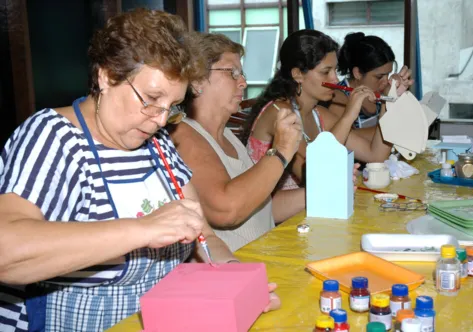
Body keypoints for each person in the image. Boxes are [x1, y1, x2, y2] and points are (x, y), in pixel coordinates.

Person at [0, 9, 278, 332]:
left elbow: (206, 237)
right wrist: (143, 229)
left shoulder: (158, 143)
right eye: (151, 99)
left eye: (171, 107)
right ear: (106, 76)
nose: (161, 120)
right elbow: (7, 251)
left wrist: (236, 282)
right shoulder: (54, 138)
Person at [170, 32, 303, 252]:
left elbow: (260, 209)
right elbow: (226, 211)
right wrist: (281, 151)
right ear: (196, 80)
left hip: (265, 260)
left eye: (241, 73)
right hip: (233, 273)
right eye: (232, 73)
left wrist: (326, 190)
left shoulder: (228, 136)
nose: (243, 82)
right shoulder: (183, 135)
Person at [243, 29, 389, 193]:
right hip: (274, 214)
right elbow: (314, 176)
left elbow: (375, 156)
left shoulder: (318, 113)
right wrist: (349, 115)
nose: (334, 79)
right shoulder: (281, 114)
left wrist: (386, 105)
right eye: (326, 72)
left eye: (335, 70)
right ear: (298, 74)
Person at [329, 32, 414, 130]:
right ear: (358, 73)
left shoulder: (382, 90)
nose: (385, 81)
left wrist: (397, 97)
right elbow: (352, 140)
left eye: (388, 74)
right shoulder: (339, 100)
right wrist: (387, 106)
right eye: (379, 77)